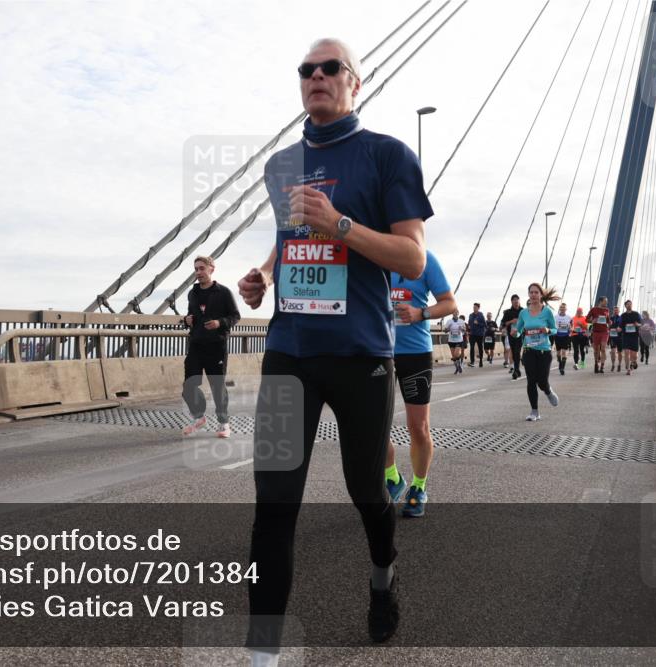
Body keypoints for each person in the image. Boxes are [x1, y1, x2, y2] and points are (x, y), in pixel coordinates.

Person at [236, 37, 432, 655]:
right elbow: (289, 238)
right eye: (306, 69)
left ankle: (383, 575)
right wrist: (264, 276)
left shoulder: (388, 156)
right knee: (273, 503)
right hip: (289, 351)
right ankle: (263, 647)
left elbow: (413, 254)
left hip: (360, 354)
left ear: (355, 83)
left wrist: (341, 225)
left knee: (366, 491)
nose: (316, 76)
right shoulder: (279, 167)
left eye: (330, 68)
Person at [385, 250, 456, 518]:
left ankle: (418, 486)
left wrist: (420, 313)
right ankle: (392, 478)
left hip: (415, 352)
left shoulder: (424, 259)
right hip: (377, 351)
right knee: (372, 426)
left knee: (418, 427)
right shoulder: (372, 250)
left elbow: (449, 303)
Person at [181, 255, 241, 437]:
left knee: (217, 386)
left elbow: (235, 316)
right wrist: (186, 320)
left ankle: (223, 423)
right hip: (196, 345)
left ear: (211, 268)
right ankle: (199, 417)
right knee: (188, 386)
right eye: (196, 269)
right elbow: (191, 315)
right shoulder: (193, 293)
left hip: (216, 346)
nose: (198, 272)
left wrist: (219, 323)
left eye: (201, 268)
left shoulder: (223, 292)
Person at [516, 283, 560, 421]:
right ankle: (534, 411)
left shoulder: (547, 311)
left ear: (541, 295)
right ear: (528, 295)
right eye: (531, 292)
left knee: (541, 381)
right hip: (528, 350)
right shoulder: (523, 313)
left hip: (544, 351)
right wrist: (515, 333)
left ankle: (547, 390)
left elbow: (555, 329)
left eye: (536, 292)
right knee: (531, 381)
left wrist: (548, 330)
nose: (534, 295)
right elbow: (518, 330)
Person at [501, 294, 524, 380]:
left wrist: (520, 322)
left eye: (517, 300)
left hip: (521, 335)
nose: (516, 302)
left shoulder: (523, 311)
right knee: (514, 352)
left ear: (519, 301)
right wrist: (511, 321)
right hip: (511, 335)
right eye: (514, 300)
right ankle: (517, 370)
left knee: (517, 351)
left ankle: (516, 370)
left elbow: (528, 321)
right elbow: (503, 324)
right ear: (511, 302)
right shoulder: (508, 312)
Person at [586, 296, 610, 374]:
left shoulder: (607, 310)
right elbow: (587, 319)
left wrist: (610, 322)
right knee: (596, 350)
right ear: (600, 301)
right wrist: (592, 320)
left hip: (604, 332)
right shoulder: (594, 309)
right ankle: (596, 363)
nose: (606, 303)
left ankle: (602, 366)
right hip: (596, 332)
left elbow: (608, 320)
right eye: (605, 301)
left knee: (603, 348)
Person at [619, 300, 642, 375]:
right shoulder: (623, 315)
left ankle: (634, 362)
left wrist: (637, 325)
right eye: (627, 304)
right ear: (625, 306)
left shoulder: (636, 314)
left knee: (634, 355)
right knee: (626, 353)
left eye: (630, 304)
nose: (629, 305)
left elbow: (641, 323)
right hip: (626, 336)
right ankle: (628, 369)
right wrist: (619, 329)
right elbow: (620, 325)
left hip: (634, 336)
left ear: (632, 305)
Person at [554, 302, 573, 375]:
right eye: (561, 308)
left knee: (564, 352)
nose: (562, 309)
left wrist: (571, 329)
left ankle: (562, 368)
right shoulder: (555, 317)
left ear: (566, 309)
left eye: (564, 308)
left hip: (565, 336)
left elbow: (572, 326)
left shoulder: (569, 317)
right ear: (559, 308)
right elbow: (553, 326)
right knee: (558, 353)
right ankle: (559, 361)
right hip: (557, 336)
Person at [467, 303, 486, 367]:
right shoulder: (470, 315)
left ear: (478, 308)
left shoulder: (481, 315)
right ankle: (472, 361)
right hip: (472, 334)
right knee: (471, 348)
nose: (474, 308)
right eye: (473, 307)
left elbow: (484, 325)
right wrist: (469, 327)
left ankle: (481, 361)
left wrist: (478, 323)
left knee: (480, 348)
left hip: (480, 334)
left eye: (475, 307)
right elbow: (469, 323)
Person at [608, 305, 623, 372]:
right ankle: (613, 364)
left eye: (617, 310)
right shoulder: (610, 318)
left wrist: (620, 329)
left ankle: (619, 364)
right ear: (613, 311)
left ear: (619, 311)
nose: (616, 311)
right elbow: (607, 326)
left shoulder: (621, 318)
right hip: (612, 337)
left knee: (620, 352)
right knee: (613, 352)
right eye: (614, 310)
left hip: (619, 337)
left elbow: (624, 327)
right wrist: (608, 328)